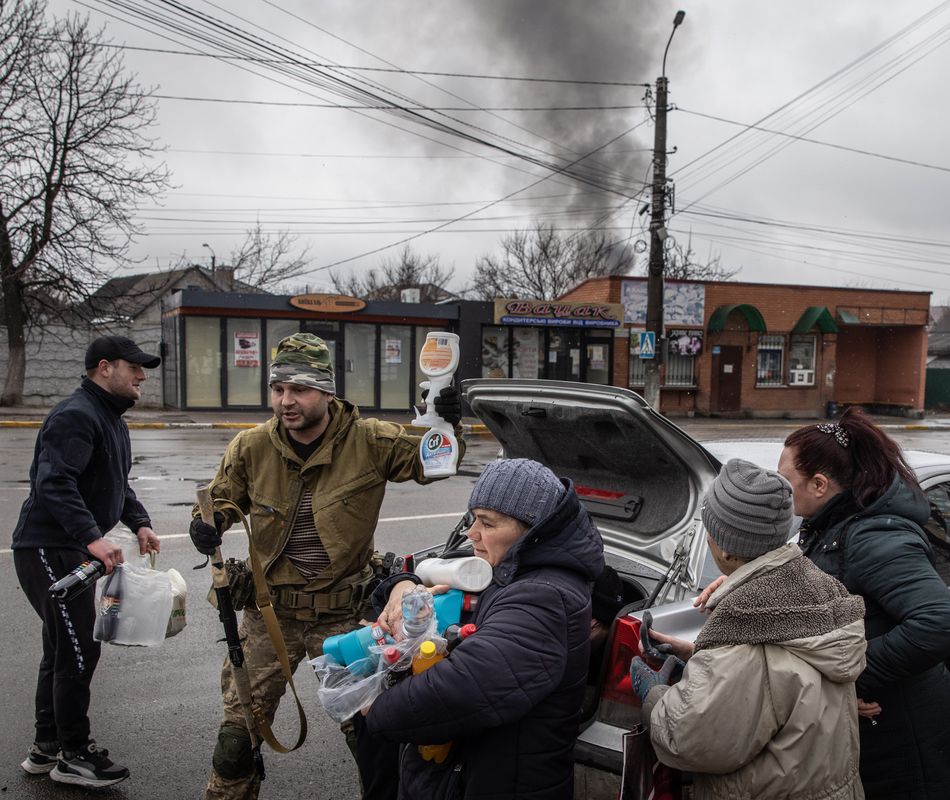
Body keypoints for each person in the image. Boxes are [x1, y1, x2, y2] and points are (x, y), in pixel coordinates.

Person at [187, 332, 464, 800]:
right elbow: (215, 504)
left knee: (375, 741)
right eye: (278, 389)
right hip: (269, 616)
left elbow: (436, 463)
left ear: (327, 392)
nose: (285, 401)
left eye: (299, 390)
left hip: (343, 617)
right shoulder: (251, 447)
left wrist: (444, 424)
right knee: (235, 743)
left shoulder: (370, 441)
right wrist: (202, 525)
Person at [364, 457, 605, 799]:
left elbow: (464, 688)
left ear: (531, 530)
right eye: (473, 518)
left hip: (498, 782)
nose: (471, 533)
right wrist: (403, 585)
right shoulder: (507, 566)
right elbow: (434, 568)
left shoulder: (546, 598)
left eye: (487, 524)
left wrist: (377, 709)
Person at [770, 409, 950, 799]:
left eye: (786, 480)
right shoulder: (827, 528)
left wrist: (851, 676)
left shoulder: (874, 535)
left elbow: (937, 623)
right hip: (882, 735)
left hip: (907, 743)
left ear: (819, 484)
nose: (782, 490)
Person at [631, 458, 868, 800]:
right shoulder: (811, 592)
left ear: (726, 545)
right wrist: (697, 655)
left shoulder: (743, 634)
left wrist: (654, 696)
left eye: (709, 527)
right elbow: (772, 680)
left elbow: (689, 741)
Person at [12, 335, 162, 788]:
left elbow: (116, 482)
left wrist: (139, 522)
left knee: (62, 647)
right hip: (47, 548)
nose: (141, 376)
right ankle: (74, 754)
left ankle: (47, 748)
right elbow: (53, 483)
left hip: (66, 548)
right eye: (133, 367)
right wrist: (93, 538)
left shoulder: (109, 418)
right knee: (80, 647)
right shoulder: (76, 415)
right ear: (104, 367)